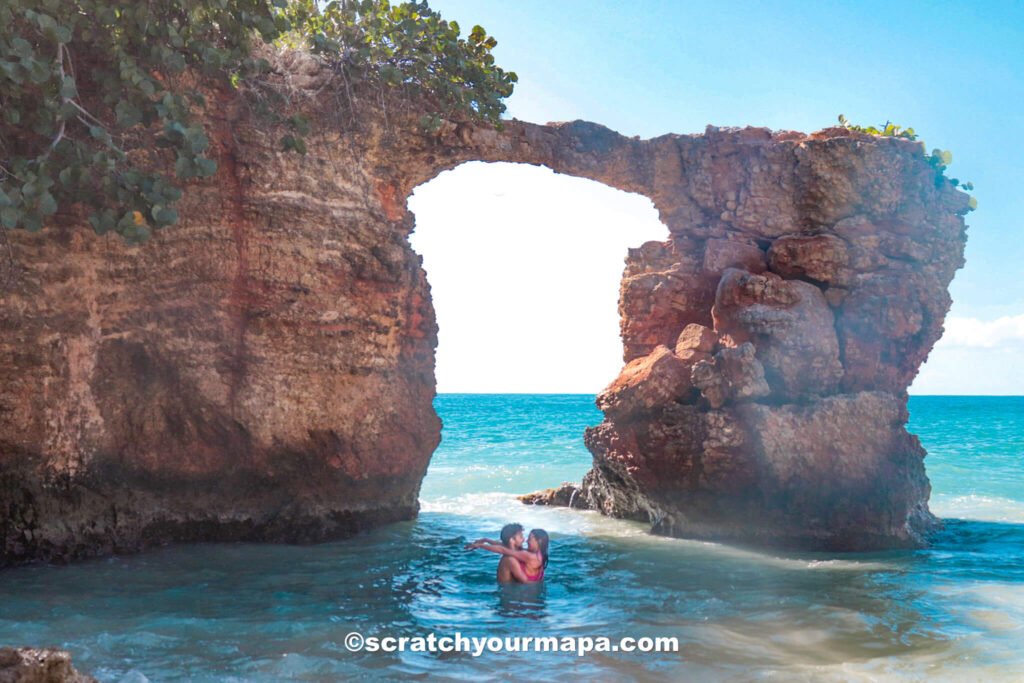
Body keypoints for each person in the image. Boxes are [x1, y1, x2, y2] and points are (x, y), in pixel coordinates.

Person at [465, 524, 549, 583]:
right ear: (512, 540)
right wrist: (486, 540)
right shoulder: (535, 554)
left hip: (522, 592)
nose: (525, 540)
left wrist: (481, 545)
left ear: (539, 541)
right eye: (521, 536)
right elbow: (503, 546)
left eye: (529, 539)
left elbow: (503, 550)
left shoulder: (527, 556)